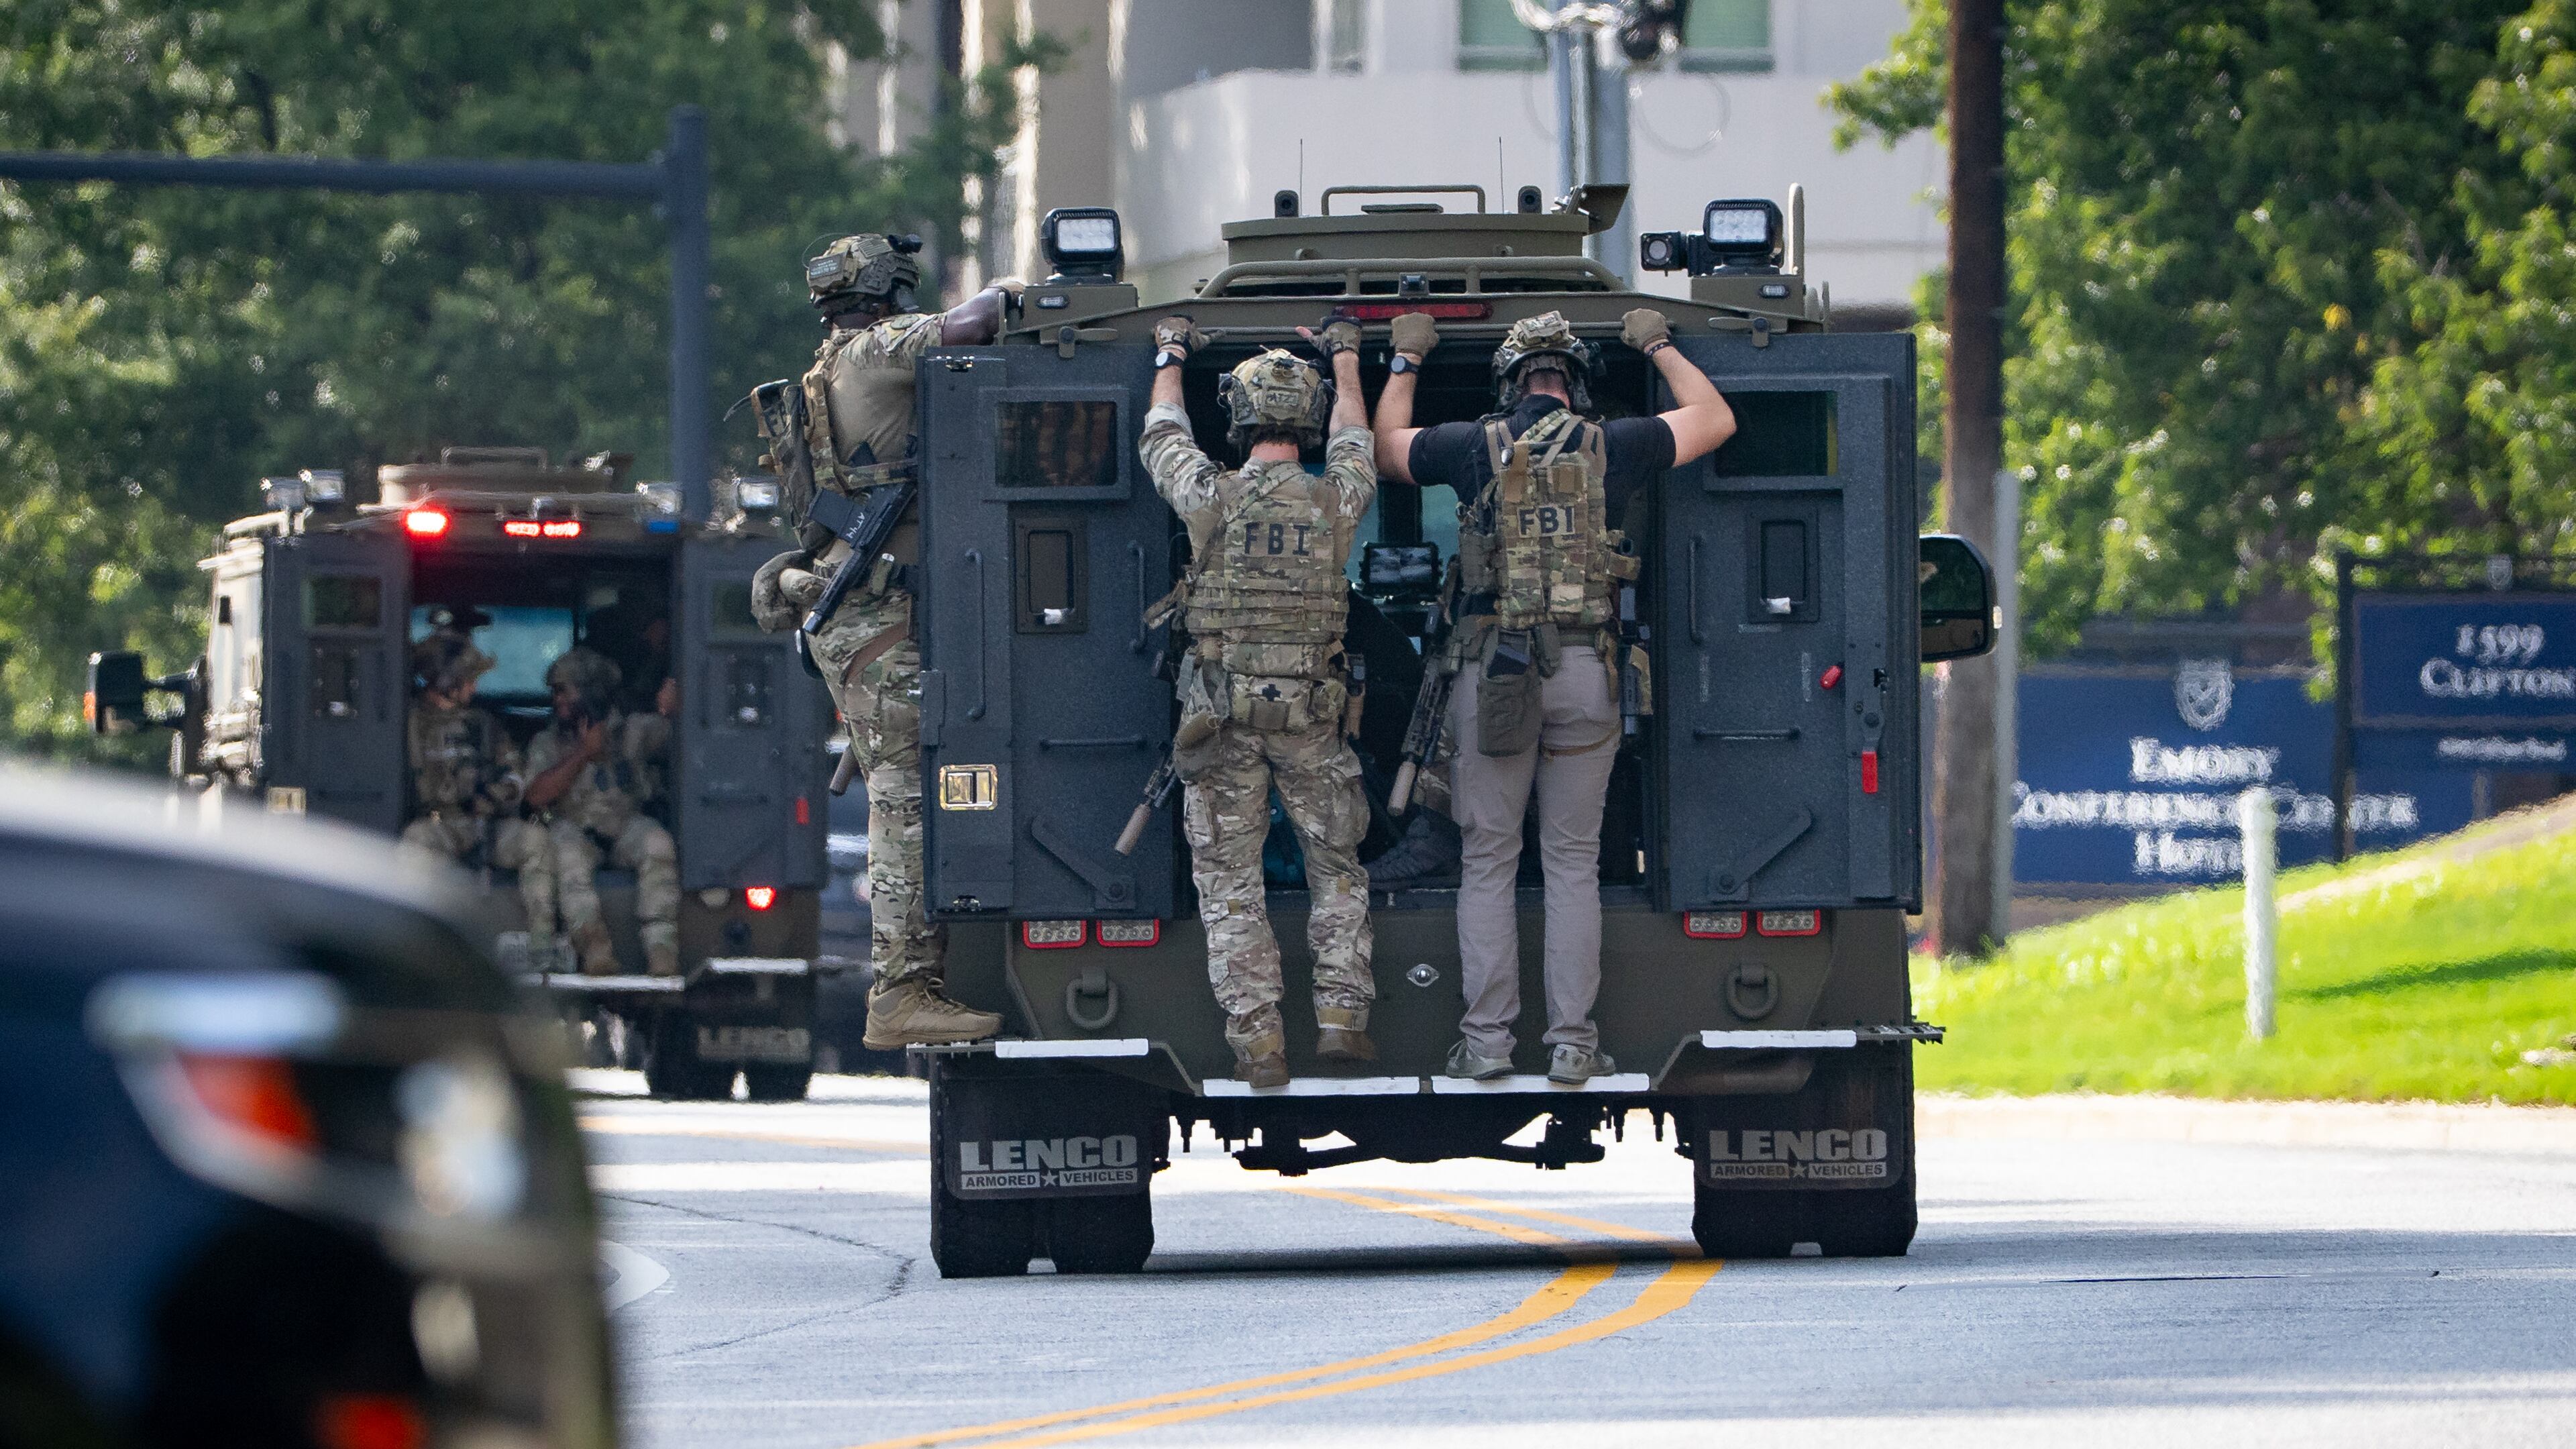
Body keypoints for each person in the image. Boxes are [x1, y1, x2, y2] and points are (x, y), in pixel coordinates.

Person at [1373, 308, 1737, 1083]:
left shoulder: (1476, 445)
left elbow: (1386, 450)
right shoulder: (1618, 444)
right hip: (1585, 672)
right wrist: (1659, 345)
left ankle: (1487, 1044)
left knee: (1489, 860)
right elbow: (1716, 418)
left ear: (1511, 387)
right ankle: (1573, 1043)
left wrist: (1406, 359)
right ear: (1575, 386)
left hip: (1495, 677)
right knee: (1572, 862)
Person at [749, 233, 1020, 1048]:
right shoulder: (877, 351)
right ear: (889, 292)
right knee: (903, 802)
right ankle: (900, 992)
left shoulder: (827, 369)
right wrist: (1015, 287)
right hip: (874, 616)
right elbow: (974, 324)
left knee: (905, 790)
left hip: (855, 614)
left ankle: (911, 982)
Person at [1140, 318, 1377, 1088]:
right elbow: (1355, 437)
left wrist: (1171, 352)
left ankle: (1260, 1045)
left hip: (1221, 716)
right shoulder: (1337, 502)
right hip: (1312, 714)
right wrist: (1345, 354)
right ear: (1303, 420)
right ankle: (1342, 1019)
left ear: (1238, 418)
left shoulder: (1209, 495)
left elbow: (1162, 432)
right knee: (1336, 869)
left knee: (1230, 883)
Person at [396, 623, 559, 961]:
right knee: (414, 842)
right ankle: (416, 950)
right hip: (439, 826)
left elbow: (517, 774)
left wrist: (496, 796)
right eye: (468, 679)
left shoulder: (483, 725)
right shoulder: (410, 723)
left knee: (536, 842)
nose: (474, 687)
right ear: (447, 681)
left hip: (487, 824)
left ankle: (543, 946)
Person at [524, 647, 680, 977]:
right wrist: (584, 753)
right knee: (566, 854)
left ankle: (662, 953)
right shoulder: (547, 742)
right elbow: (536, 797)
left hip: (625, 826)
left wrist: (674, 710)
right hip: (576, 829)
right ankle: (596, 952)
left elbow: (684, 740)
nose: (557, 701)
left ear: (589, 690)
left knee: (657, 845)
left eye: (563, 691)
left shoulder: (634, 731)